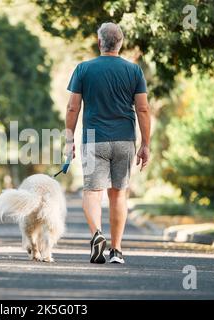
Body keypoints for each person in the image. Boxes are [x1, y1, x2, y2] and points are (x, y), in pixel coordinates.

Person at [65, 22, 151, 264]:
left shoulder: (83, 69)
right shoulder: (134, 71)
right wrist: (146, 143)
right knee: (118, 195)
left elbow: (73, 106)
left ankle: (96, 234)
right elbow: (143, 108)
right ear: (121, 43)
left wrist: (68, 138)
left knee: (92, 192)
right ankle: (116, 250)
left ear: (98, 41)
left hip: (94, 139)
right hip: (125, 139)